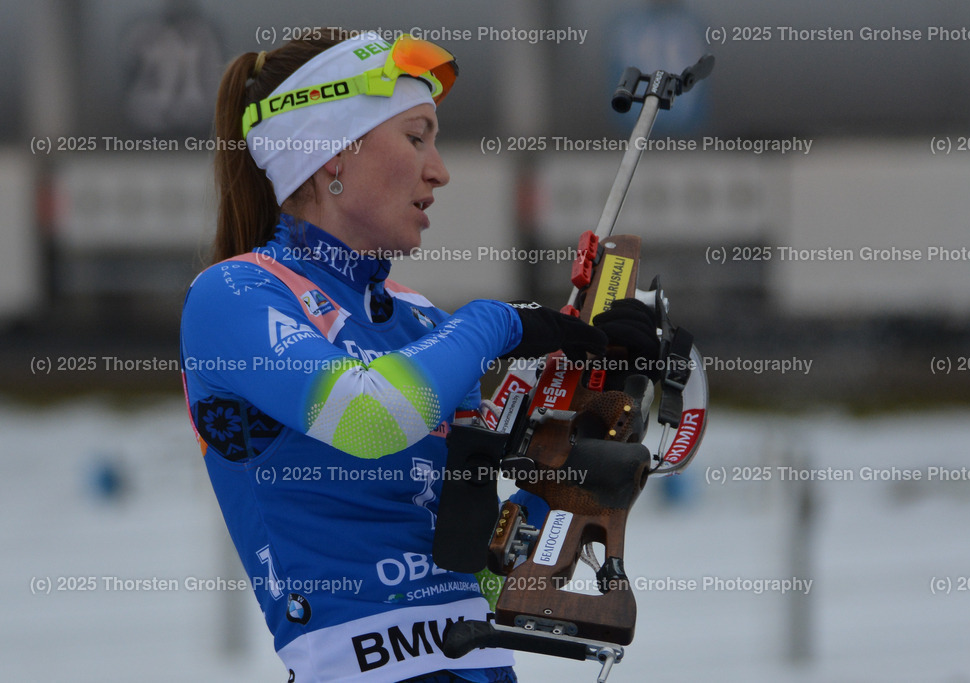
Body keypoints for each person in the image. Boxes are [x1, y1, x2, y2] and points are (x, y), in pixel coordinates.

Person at [180, 29, 657, 683]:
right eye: (416, 136)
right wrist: (494, 323)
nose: (439, 168)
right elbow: (368, 415)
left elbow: (491, 571)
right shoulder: (233, 293)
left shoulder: (422, 321)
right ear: (330, 155)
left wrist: (597, 420)